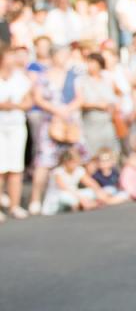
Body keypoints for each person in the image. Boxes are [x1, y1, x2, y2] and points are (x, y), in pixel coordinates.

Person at [26, 46, 84, 215]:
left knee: (74, 156)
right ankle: (35, 199)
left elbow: (80, 97)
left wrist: (67, 109)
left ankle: (75, 194)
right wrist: (55, 110)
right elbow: (37, 98)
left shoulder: (73, 76)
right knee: (44, 161)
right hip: (50, 120)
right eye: (62, 54)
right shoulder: (43, 77)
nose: (65, 58)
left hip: (69, 121)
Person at [0, 45, 33, 220]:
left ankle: (14, 205)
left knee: (16, 167)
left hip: (16, 126)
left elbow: (28, 101)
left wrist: (13, 105)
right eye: (9, 56)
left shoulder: (20, 78)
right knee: (1, 168)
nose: (13, 60)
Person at [40, 147, 120, 215]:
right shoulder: (58, 172)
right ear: (67, 162)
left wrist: (99, 192)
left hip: (75, 194)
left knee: (93, 192)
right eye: (74, 162)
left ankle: (91, 202)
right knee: (65, 196)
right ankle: (84, 204)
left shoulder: (78, 170)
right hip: (57, 200)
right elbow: (65, 189)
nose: (76, 164)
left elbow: (91, 183)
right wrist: (81, 199)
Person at [75, 53, 120, 157]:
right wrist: (97, 105)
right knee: (92, 153)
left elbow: (118, 96)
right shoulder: (81, 80)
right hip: (90, 123)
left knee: (111, 153)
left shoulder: (108, 78)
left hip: (107, 122)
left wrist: (113, 107)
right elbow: (80, 101)